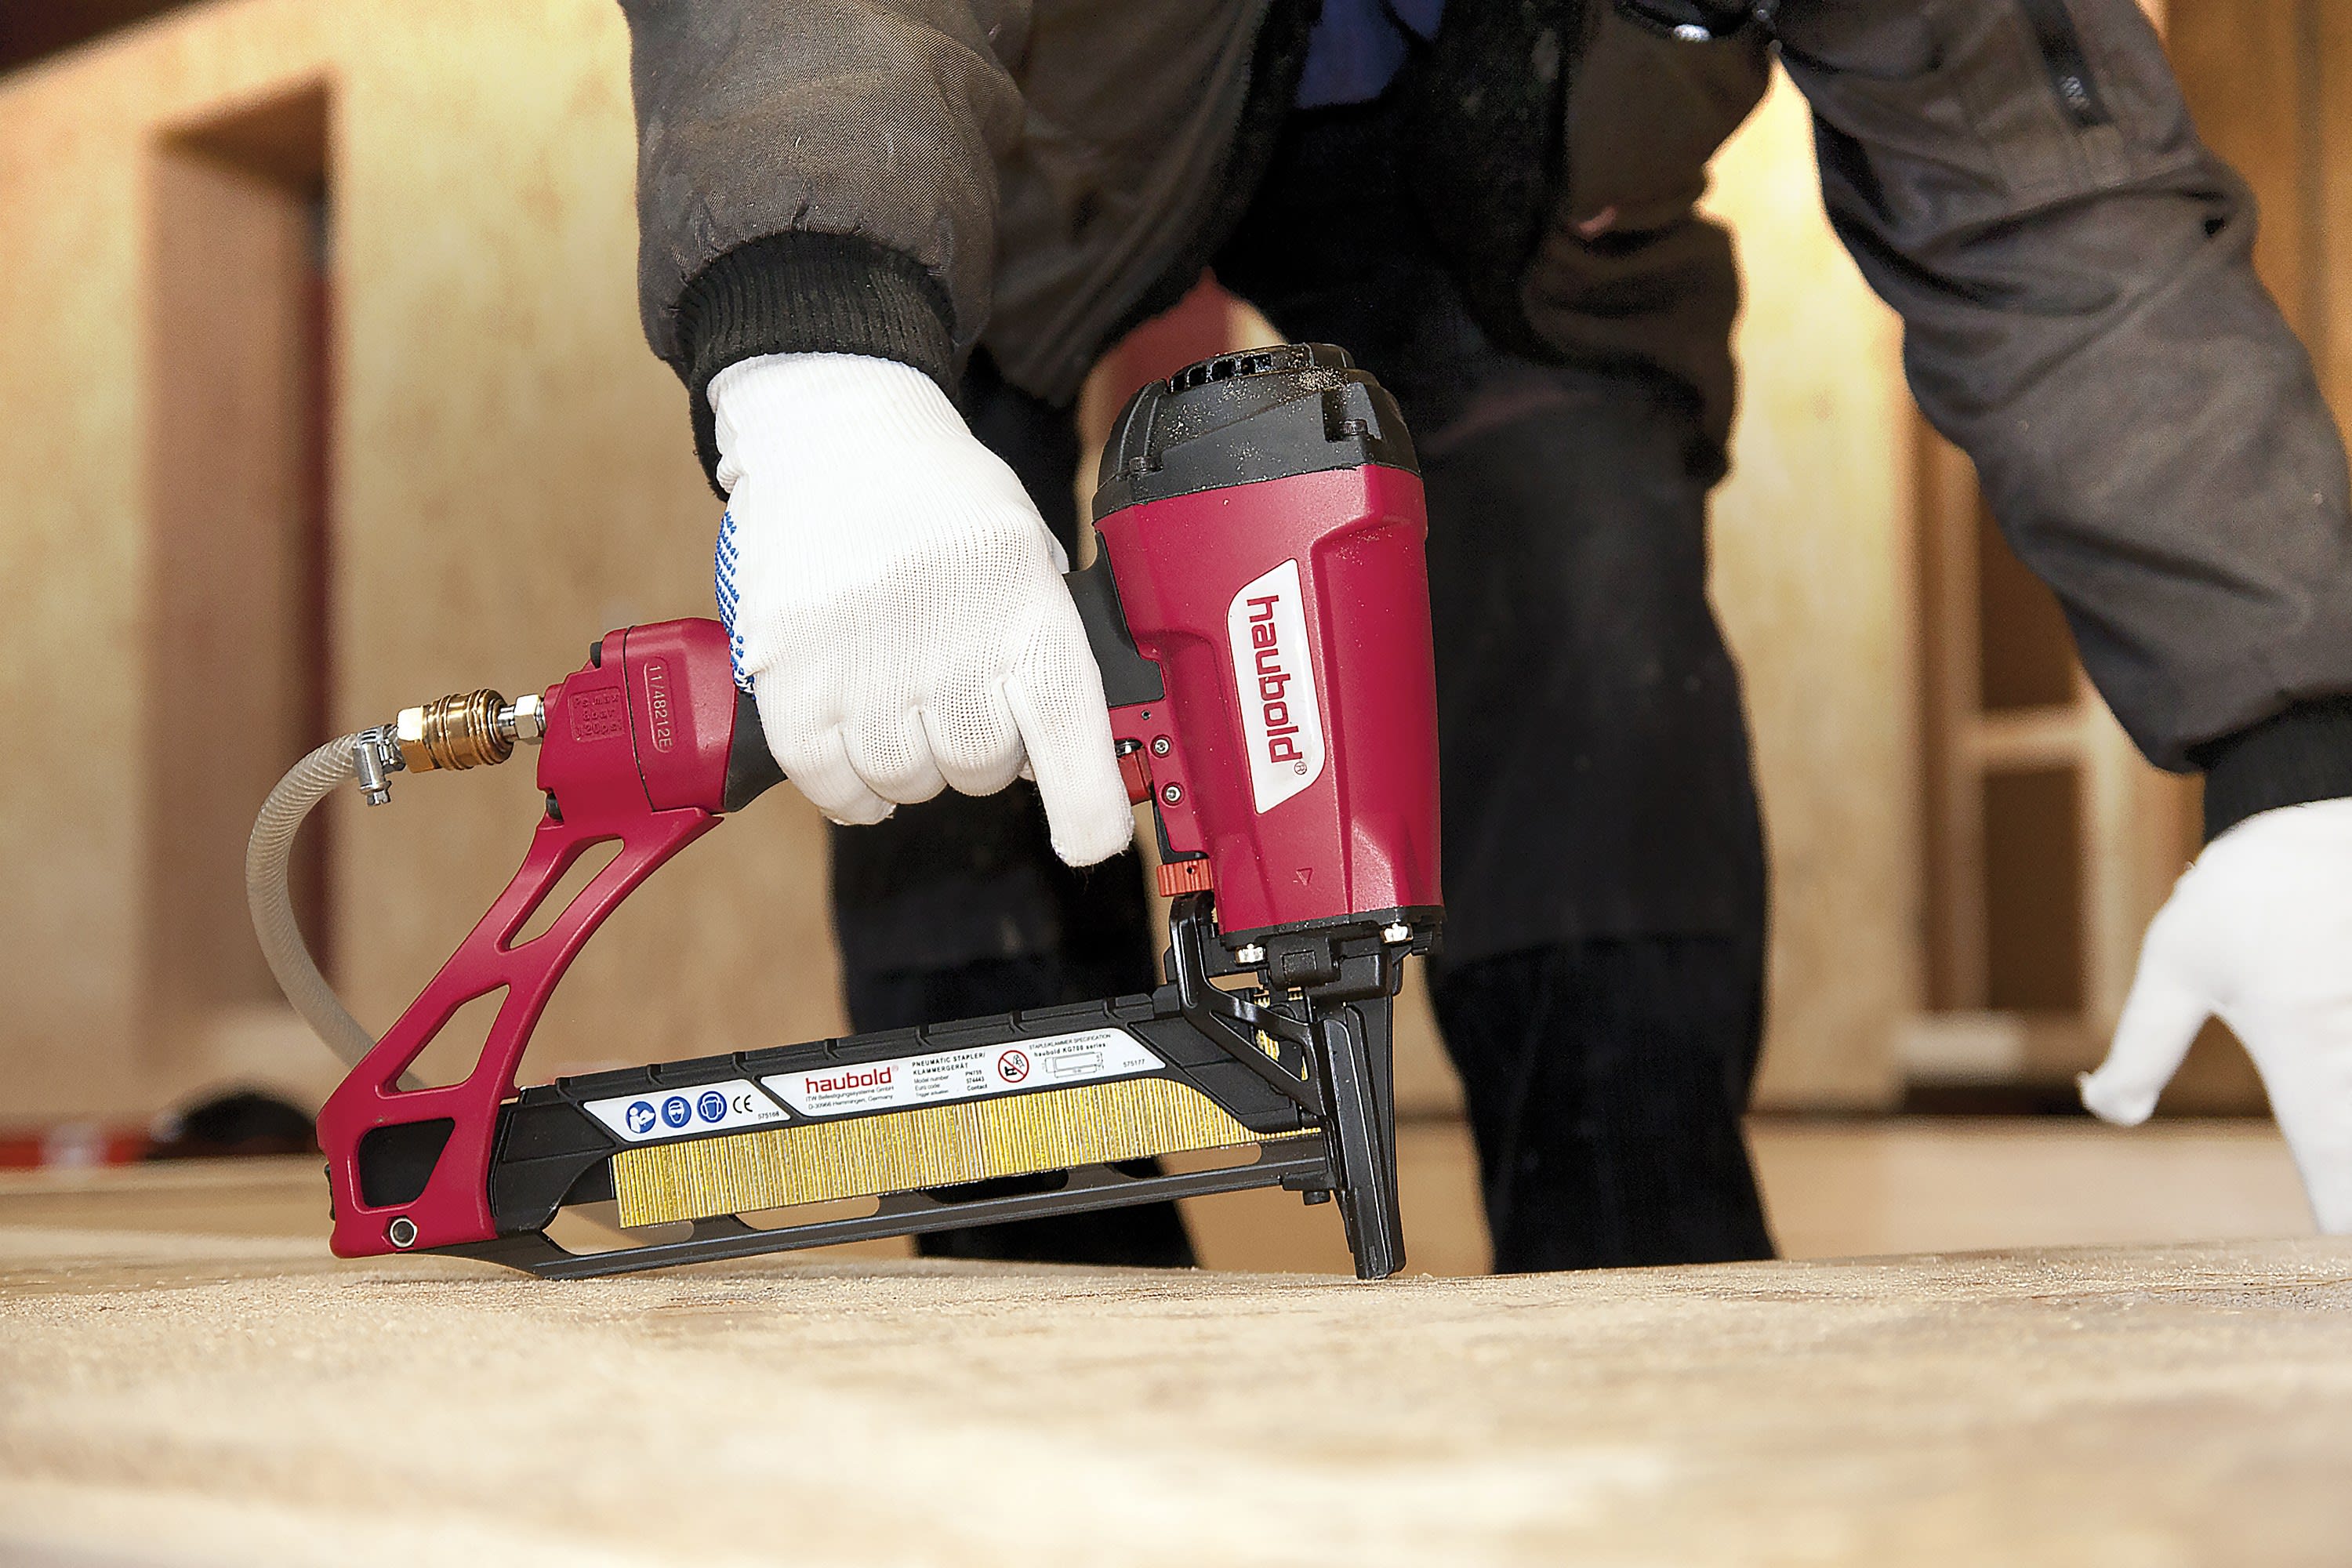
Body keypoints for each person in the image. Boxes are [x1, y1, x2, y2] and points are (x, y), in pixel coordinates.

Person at [617, 0, 2352, 1268]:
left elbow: (2051, 190)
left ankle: (1639, 1251)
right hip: (1017, 153)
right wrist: (824, 344)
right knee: (942, 662)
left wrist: (2299, 748)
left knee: (1583, 559)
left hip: (1506, 187)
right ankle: (1031, 1311)